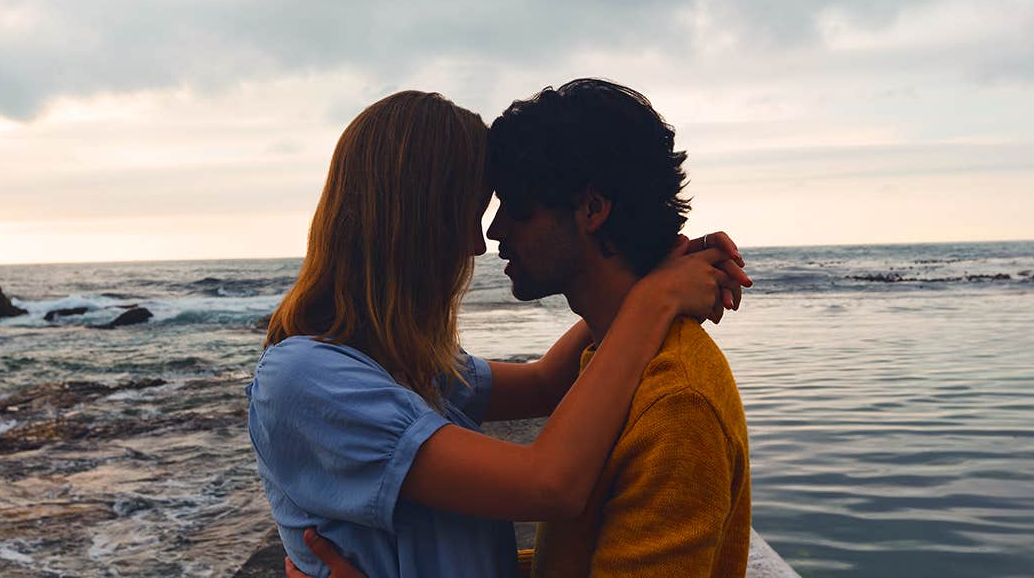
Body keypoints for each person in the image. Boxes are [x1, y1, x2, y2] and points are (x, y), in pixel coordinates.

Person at [248, 89, 750, 578]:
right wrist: (651, 298)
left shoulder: (677, 401)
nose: (482, 240)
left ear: (593, 210)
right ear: (413, 224)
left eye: (511, 206)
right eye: (470, 213)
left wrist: (647, 288)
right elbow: (548, 483)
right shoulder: (311, 376)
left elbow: (545, 384)